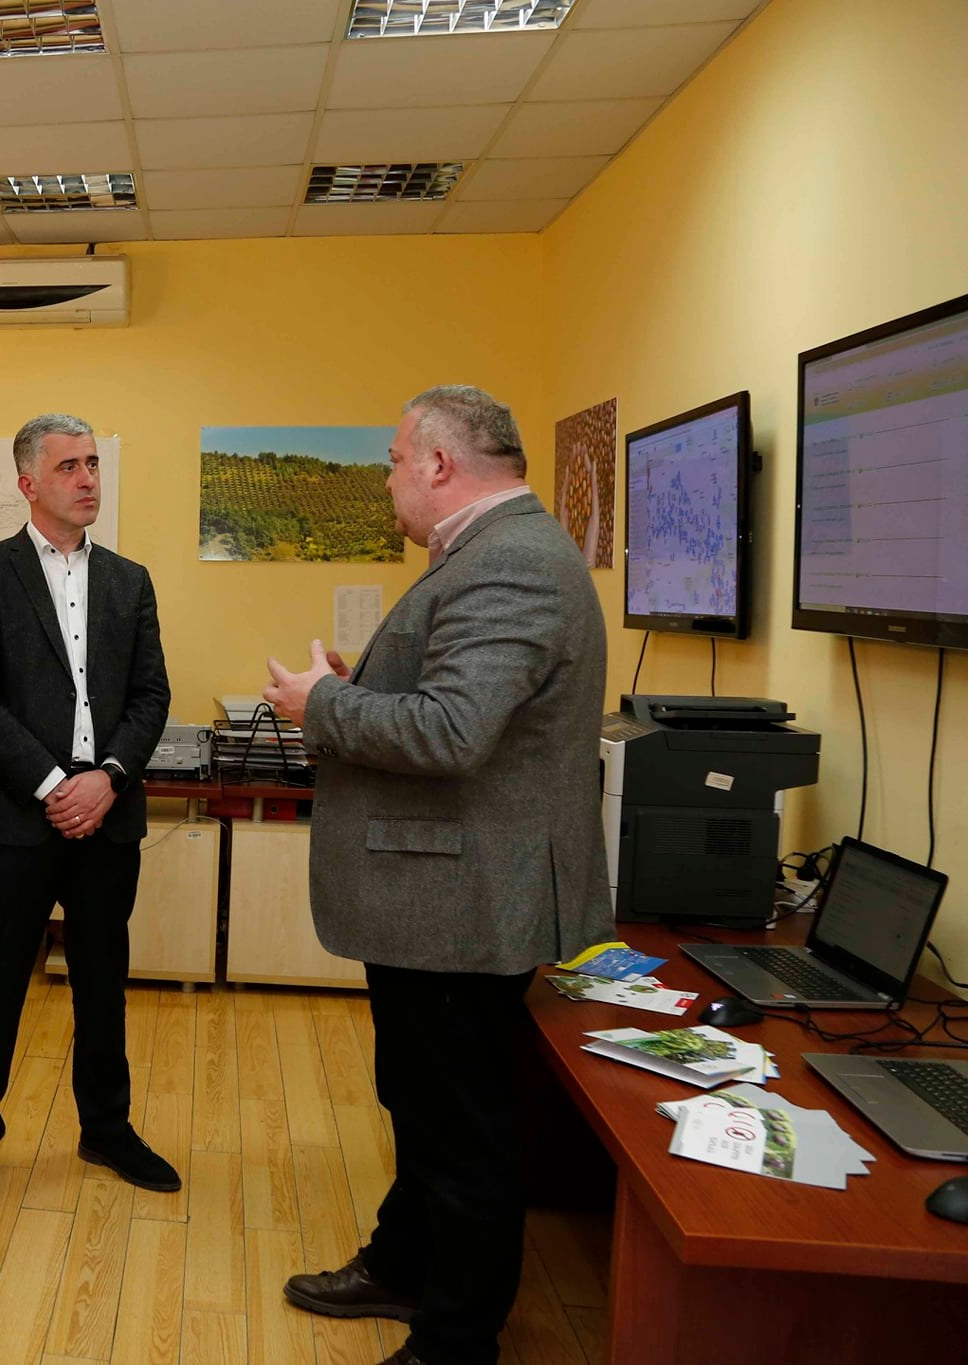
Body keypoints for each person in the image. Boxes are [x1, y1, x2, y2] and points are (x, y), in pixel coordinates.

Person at [261, 385, 611, 1365]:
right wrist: (355, 691)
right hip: (440, 896)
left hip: (460, 902)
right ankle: (403, 1264)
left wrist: (321, 703)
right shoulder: (487, 555)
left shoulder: (512, 564)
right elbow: (455, 704)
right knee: (421, 1105)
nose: (385, 482)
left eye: (390, 461)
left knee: (461, 1132)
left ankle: (454, 1342)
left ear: (438, 463)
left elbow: (453, 732)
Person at [0, 413, 176, 1216]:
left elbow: (151, 695)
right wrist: (53, 784)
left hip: (108, 812)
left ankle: (106, 1128)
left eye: (93, 463)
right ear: (27, 483)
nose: (87, 478)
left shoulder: (130, 581)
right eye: (69, 466)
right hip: (15, 817)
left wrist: (107, 778)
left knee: (103, 981)